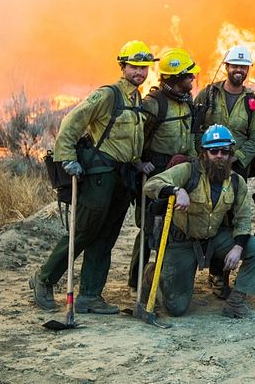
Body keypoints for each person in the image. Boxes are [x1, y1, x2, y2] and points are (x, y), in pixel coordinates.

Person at [31, 40, 152, 315]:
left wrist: (137, 162)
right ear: (123, 67)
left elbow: (128, 139)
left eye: (144, 68)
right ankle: (43, 278)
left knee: (107, 236)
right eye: (135, 66)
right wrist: (68, 158)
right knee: (85, 232)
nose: (140, 72)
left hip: (123, 178)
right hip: (100, 175)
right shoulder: (108, 95)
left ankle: (90, 295)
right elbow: (73, 121)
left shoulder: (136, 99)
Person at [143, 124, 255, 318]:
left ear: (231, 154)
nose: (220, 155)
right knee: (176, 308)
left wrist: (237, 248)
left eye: (225, 151)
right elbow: (151, 185)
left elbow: (243, 218)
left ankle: (236, 302)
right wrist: (177, 190)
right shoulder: (187, 171)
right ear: (203, 153)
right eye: (214, 151)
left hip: (213, 238)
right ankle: (153, 274)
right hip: (182, 241)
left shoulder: (236, 181)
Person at [128, 47, 199, 293]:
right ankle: (136, 283)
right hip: (155, 171)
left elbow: (190, 135)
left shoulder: (187, 101)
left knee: (172, 228)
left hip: (179, 169)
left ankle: (161, 277)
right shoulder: (154, 104)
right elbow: (137, 136)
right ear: (177, 78)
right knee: (149, 228)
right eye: (189, 75)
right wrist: (138, 162)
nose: (193, 79)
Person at [194, 44, 255, 176]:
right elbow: (194, 128)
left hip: (237, 167)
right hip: (207, 164)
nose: (239, 70)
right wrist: (205, 154)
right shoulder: (208, 94)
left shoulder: (251, 102)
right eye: (234, 66)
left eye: (243, 67)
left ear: (248, 69)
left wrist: (237, 157)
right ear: (227, 67)